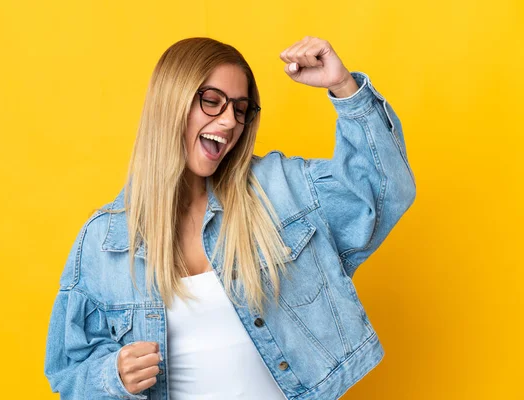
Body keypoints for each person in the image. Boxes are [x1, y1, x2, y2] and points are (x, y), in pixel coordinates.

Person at [44, 36, 416, 400]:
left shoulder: (276, 190)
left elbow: (383, 190)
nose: (229, 122)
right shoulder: (103, 241)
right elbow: (68, 373)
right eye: (212, 102)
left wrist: (343, 87)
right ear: (170, 102)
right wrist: (113, 378)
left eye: (240, 109)